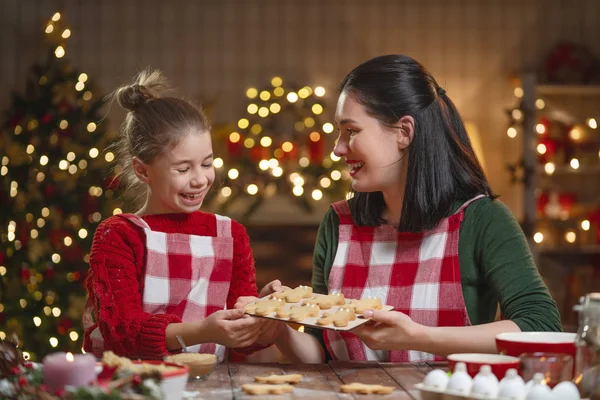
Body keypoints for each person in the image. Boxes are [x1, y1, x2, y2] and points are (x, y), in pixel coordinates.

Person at [254, 54, 562, 363]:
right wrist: (280, 331)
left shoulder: (482, 220)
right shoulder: (337, 224)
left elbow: (541, 327)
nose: (338, 147)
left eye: (351, 131)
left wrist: (420, 337)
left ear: (404, 132)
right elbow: (321, 352)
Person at [82, 69, 279, 360]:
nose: (200, 180)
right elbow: (122, 335)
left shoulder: (230, 235)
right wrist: (202, 331)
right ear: (142, 170)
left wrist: (261, 314)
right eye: (183, 169)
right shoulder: (120, 235)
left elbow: (242, 343)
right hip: (139, 386)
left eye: (207, 163)